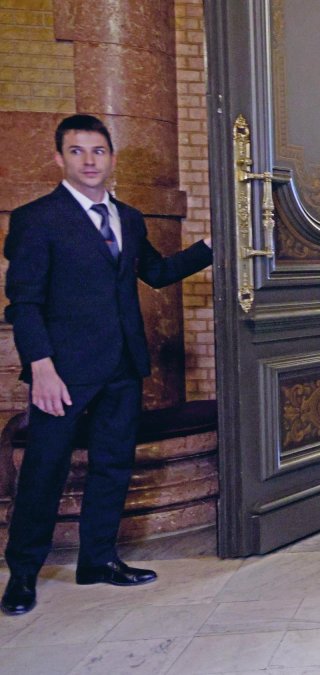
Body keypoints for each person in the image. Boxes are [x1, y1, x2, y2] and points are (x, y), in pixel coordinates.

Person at [1, 115, 213, 615]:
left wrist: (209, 249)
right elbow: (23, 303)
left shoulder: (130, 218)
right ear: (59, 159)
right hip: (63, 373)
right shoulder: (37, 219)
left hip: (123, 366)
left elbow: (157, 274)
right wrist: (42, 368)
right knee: (43, 472)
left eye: (98, 151)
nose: (89, 161)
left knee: (113, 466)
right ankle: (23, 575)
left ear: (111, 157)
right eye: (77, 151)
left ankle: (98, 560)